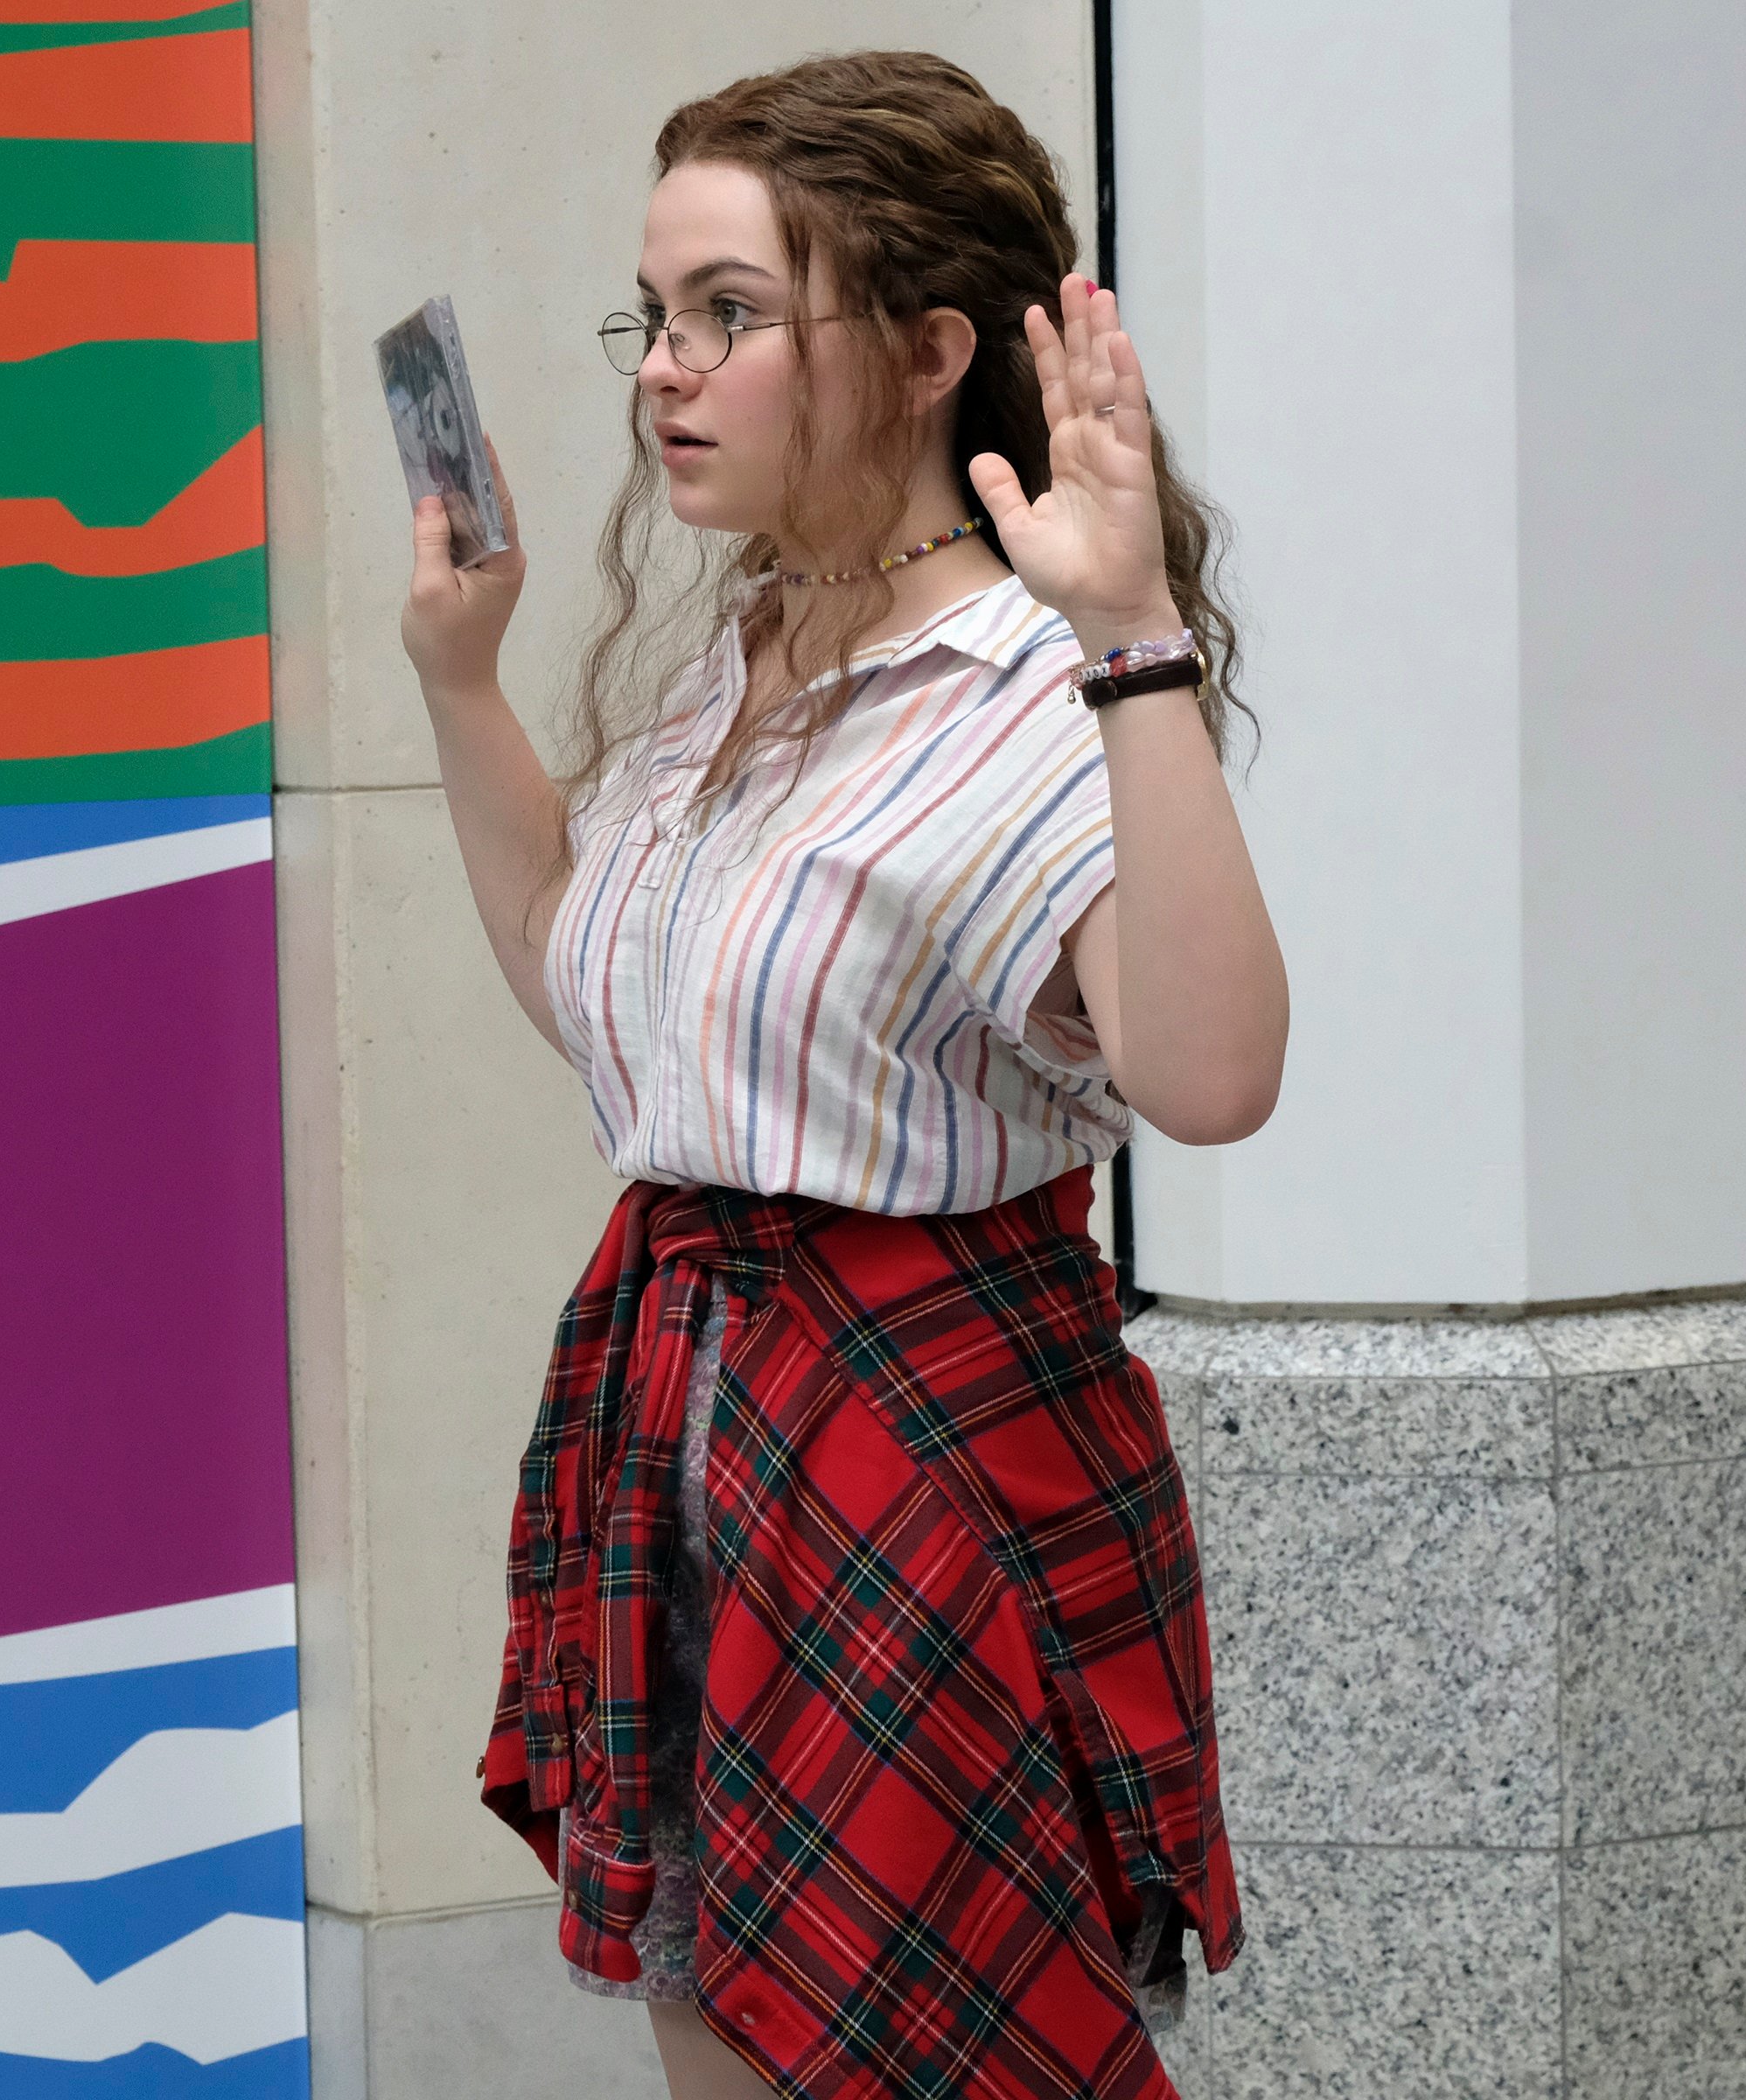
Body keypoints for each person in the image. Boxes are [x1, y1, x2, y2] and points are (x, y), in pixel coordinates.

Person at [396, 51, 1288, 2100]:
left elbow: (1214, 1075)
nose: (664, 371)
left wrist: (1134, 635)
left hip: (924, 1453)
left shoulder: (1025, 683)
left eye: (730, 314)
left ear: (920, 352)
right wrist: (464, 679)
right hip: (687, 1425)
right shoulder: (750, 651)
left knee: (933, 2048)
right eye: (655, 318)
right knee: (716, 2025)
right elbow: (604, 995)